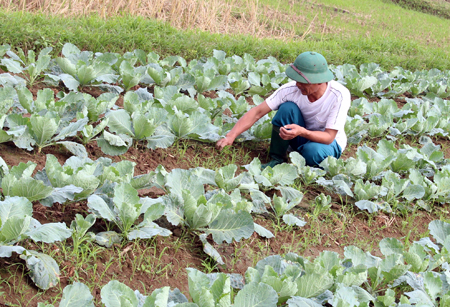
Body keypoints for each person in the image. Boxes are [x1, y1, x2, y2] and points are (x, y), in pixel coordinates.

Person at [216, 51, 351, 168]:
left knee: (311, 152)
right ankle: (277, 159)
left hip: (327, 144)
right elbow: (257, 112)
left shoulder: (339, 95)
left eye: (303, 81)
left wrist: (302, 132)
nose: (298, 84)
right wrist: (231, 136)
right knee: (287, 108)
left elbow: (328, 137)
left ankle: (309, 164)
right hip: (299, 137)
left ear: (320, 81)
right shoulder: (290, 90)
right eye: (296, 79)